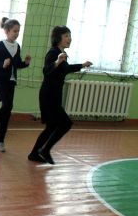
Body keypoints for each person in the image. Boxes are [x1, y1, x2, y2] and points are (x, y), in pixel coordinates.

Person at [28, 26, 92, 164]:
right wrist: (57, 61)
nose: (69, 39)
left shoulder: (61, 53)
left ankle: (34, 154)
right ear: (58, 38)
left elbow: (66, 69)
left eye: (70, 36)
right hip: (48, 95)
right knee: (66, 123)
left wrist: (82, 65)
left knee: (51, 126)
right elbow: (46, 71)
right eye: (66, 36)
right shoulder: (53, 53)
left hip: (54, 95)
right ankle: (45, 150)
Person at [0, 17, 31, 152]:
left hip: (11, 81)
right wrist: (2, 64)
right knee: (8, 106)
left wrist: (25, 63)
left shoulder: (17, 46)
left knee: (7, 110)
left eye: (18, 31)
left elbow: (16, 64)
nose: (17, 33)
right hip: (0, 79)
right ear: (7, 31)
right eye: (15, 31)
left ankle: (0, 140)